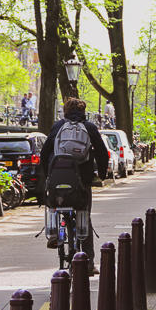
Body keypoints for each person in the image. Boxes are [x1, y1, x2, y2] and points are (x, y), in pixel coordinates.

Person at [41, 98, 109, 275]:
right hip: (82, 182)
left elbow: (44, 152)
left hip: (59, 179)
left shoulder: (58, 127)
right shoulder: (89, 128)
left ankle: (54, 234)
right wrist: (102, 175)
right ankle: (88, 263)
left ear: (66, 110)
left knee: (53, 206)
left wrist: (47, 175)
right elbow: (102, 153)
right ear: (83, 110)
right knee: (84, 216)